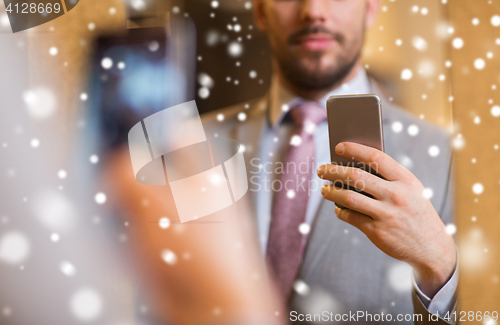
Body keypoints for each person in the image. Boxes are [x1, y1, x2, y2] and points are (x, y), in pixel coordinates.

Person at [201, 0, 458, 323]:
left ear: (371, 8)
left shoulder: (448, 159)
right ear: (258, 11)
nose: (313, 11)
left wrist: (440, 265)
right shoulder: (190, 150)